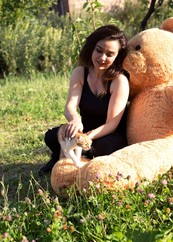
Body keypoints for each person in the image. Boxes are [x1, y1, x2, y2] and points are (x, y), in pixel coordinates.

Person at [38, 24, 129, 176]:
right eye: (99, 50)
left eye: (110, 54)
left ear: (117, 56)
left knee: (104, 147)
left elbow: (111, 124)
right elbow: (70, 107)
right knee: (52, 136)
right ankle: (62, 157)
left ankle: (75, 157)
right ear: (92, 48)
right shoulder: (80, 72)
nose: (102, 58)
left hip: (107, 135)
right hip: (82, 129)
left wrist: (86, 138)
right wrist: (75, 119)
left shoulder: (119, 81)